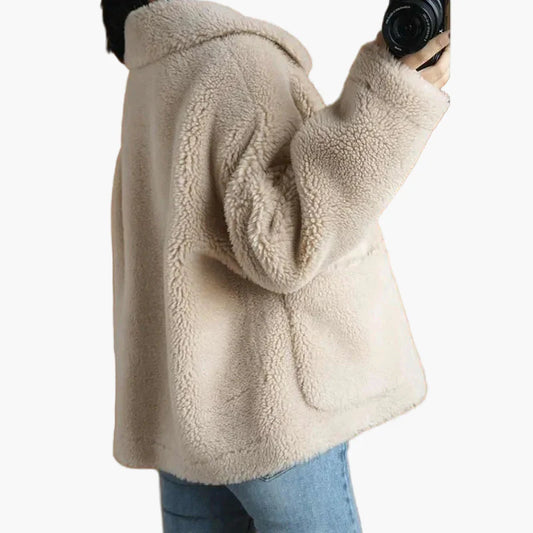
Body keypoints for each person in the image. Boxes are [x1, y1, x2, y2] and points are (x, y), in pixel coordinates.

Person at [101, 0, 450, 531]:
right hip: (269, 421)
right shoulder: (234, 63)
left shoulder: (156, 68)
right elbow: (285, 243)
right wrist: (392, 98)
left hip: (190, 424)